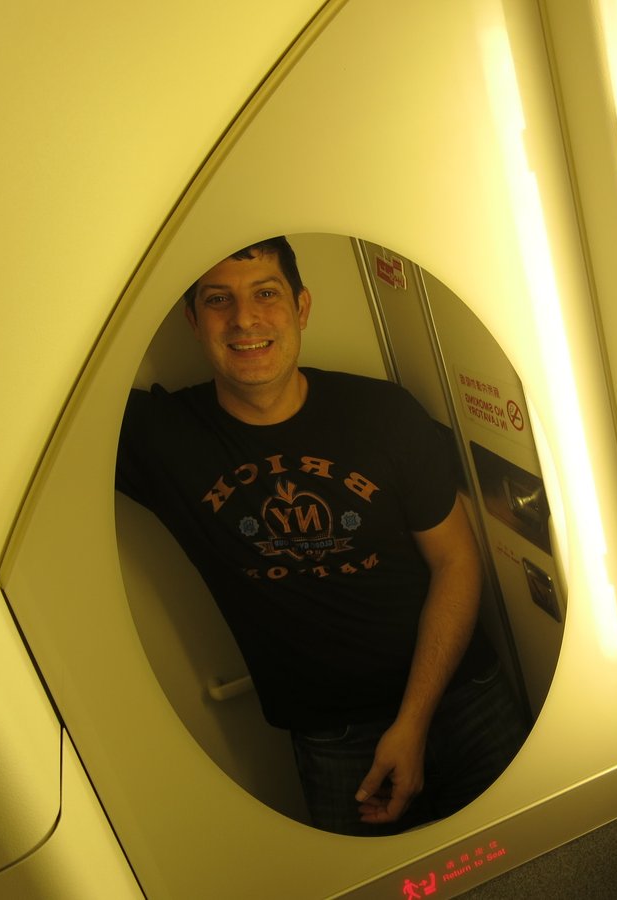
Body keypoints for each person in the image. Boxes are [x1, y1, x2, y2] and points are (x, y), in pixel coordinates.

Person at [116, 237, 526, 835]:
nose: (244, 319)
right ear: (193, 321)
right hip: (334, 738)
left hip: (464, 697)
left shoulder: (383, 413)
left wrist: (413, 721)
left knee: (546, 856)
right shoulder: (162, 439)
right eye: (218, 300)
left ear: (301, 307)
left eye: (265, 294)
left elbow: (456, 562)